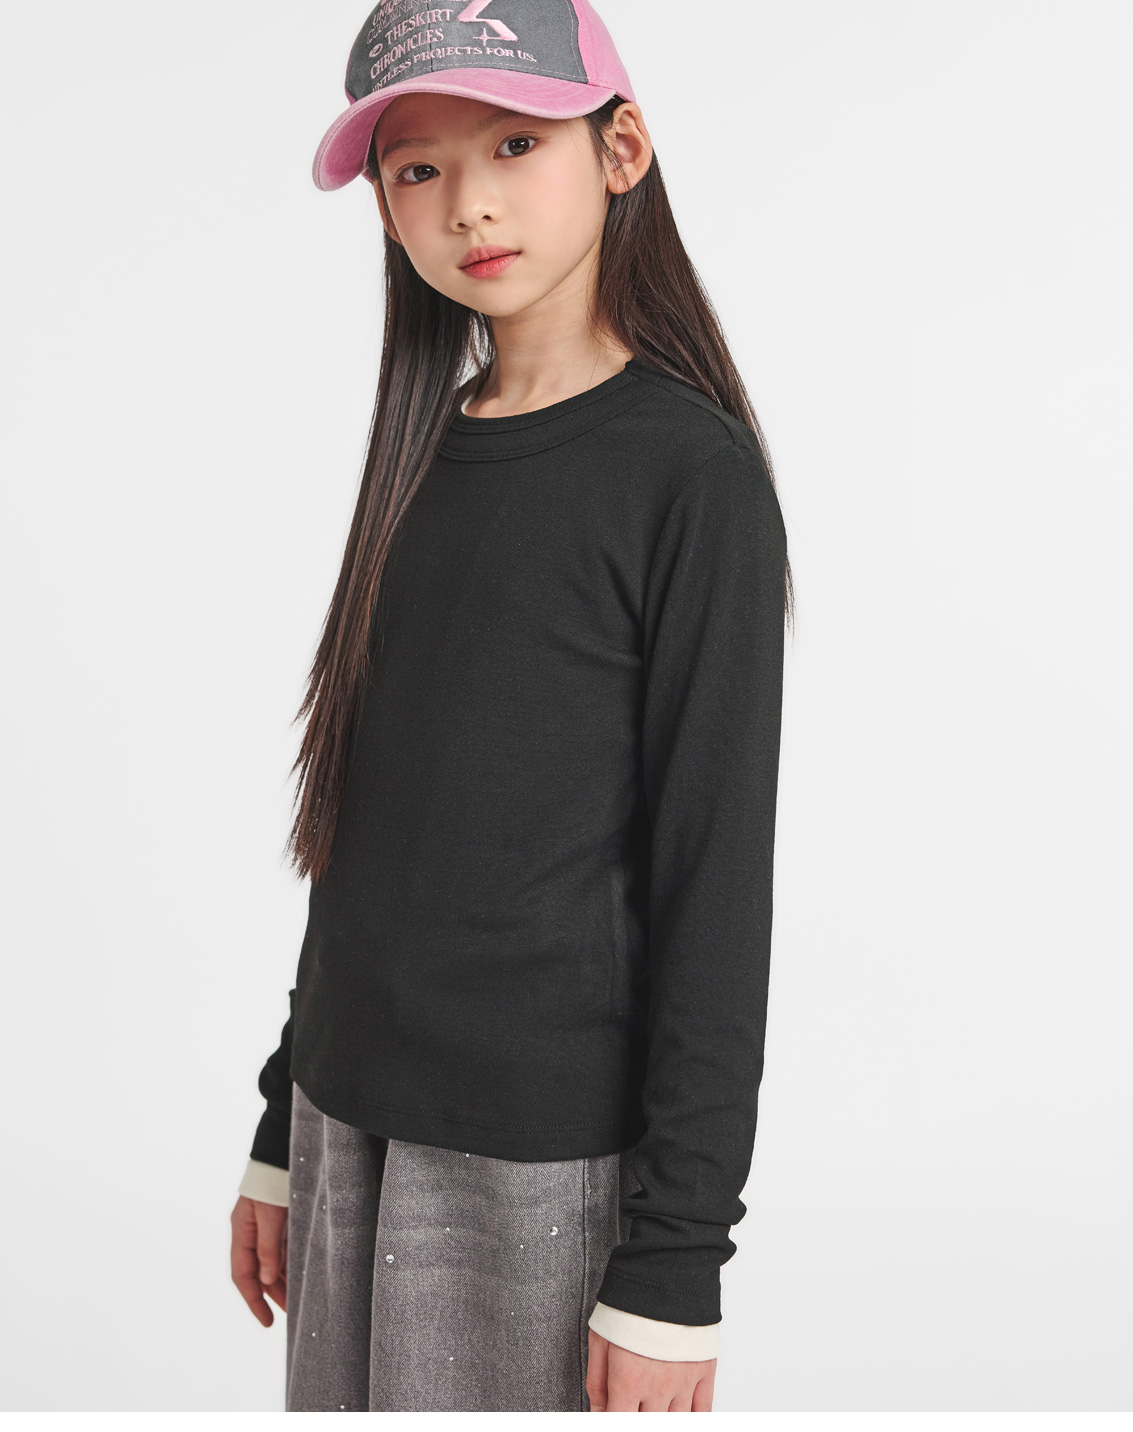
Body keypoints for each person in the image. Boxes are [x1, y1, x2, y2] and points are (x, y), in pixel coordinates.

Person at [228, 0, 792, 1413]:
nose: (468, 202)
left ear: (622, 149)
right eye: (417, 169)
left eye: (515, 144)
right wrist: (283, 1127)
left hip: (534, 1163)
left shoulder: (690, 480)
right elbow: (366, 829)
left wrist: (675, 1264)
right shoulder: (421, 457)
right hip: (347, 1123)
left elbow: (715, 885)